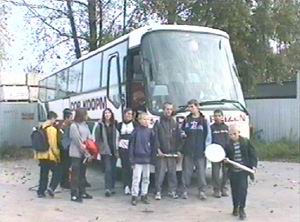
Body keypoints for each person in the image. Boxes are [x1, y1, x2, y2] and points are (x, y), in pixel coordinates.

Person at [224, 125, 257, 220]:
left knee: (243, 190)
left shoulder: (245, 142)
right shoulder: (227, 144)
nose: (233, 136)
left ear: (238, 132)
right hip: (233, 171)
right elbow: (225, 157)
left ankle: (242, 209)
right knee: (234, 190)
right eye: (230, 134)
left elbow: (253, 155)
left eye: (234, 133)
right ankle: (235, 207)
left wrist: (253, 166)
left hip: (243, 171)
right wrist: (225, 160)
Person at [181, 99, 211, 200]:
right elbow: (181, 132)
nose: (190, 109)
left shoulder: (204, 120)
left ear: (197, 107)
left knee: (201, 172)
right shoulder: (186, 120)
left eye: (192, 107)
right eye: (189, 107)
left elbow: (208, 136)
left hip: (200, 150)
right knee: (186, 171)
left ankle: (202, 191)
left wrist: (207, 149)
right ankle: (185, 190)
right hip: (188, 150)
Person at [154, 102, 181, 200]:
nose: (169, 111)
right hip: (161, 153)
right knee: (160, 174)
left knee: (172, 174)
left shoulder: (175, 123)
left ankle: (172, 191)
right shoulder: (158, 122)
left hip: (172, 153)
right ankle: (158, 192)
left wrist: (178, 151)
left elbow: (178, 138)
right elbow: (155, 137)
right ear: (163, 110)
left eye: (170, 109)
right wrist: (158, 150)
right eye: (167, 109)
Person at [129, 112, 155, 206]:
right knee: (136, 178)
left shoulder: (150, 131)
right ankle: (134, 196)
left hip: (147, 159)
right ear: (139, 120)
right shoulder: (135, 131)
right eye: (144, 119)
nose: (146, 121)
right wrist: (131, 159)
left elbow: (153, 145)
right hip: (137, 159)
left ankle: (144, 194)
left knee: (146, 178)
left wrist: (153, 158)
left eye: (148, 119)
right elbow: (131, 146)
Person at [69, 108, 93, 202]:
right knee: (75, 174)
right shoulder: (74, 126)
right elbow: (77, 141)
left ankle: (82, 192)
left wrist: (90, 149)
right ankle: (74, 194)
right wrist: (86, 152)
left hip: (85, 153)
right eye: (85, 114)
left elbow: (89, 137)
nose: (87, 116)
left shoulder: (85, 125)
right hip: (76, 153)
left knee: (83, 174)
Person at [35, 111, 61, 198]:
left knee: (43, 173)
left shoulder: (40, 127)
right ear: (52, 118)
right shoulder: (52, 129)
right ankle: (51, 187)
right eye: (55, 119)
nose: (55, 121)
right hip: (49, 155)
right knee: (58, 171)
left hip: (41, 154)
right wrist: (57, 156)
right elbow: (53, 145)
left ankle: (41, 192)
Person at [95, 108, 118, 197]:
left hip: (114, 149)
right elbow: (97, 139)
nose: (107, 115)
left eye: (109, 113)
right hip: (105, 151)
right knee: (108, 169)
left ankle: (112, 187)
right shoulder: (100, 126)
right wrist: (101, 148)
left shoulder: (115, 124)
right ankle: (107, 188)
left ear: (111, 114)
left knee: (113, 169)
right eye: (105, 113)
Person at [210, 109, 229, 198]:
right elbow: (209, 140)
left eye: (219, 116)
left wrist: (228, 153)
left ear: (222, 117)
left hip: (225, 153)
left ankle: (224, 188)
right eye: (215, 116)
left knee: (226, 172)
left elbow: (228, 141)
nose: (217, 117)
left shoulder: (226, 128)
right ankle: (216, 190)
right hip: (215, 153)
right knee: (215, 173)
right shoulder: (211, 128)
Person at [117, 108, 136, 195]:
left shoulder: (135, 125)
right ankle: (126, 186)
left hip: (132, 149)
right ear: (124, 114)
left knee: (132, 167)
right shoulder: (119, 125)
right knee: (125, 168)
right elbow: (117, 137)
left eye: (130, 114)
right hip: (122, 149)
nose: (129, 116)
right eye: (127, 114)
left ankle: (133, 186)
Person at [59, 108, 73, 189]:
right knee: (65, 166)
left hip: (65, 148)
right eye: (71, 118)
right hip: (65, 149)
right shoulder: (64, 126)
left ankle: (65, 181)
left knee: (66, 166)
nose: (72, 119)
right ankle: (64, 182)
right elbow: (64, 139)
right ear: (67, 118)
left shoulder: (64, 125)